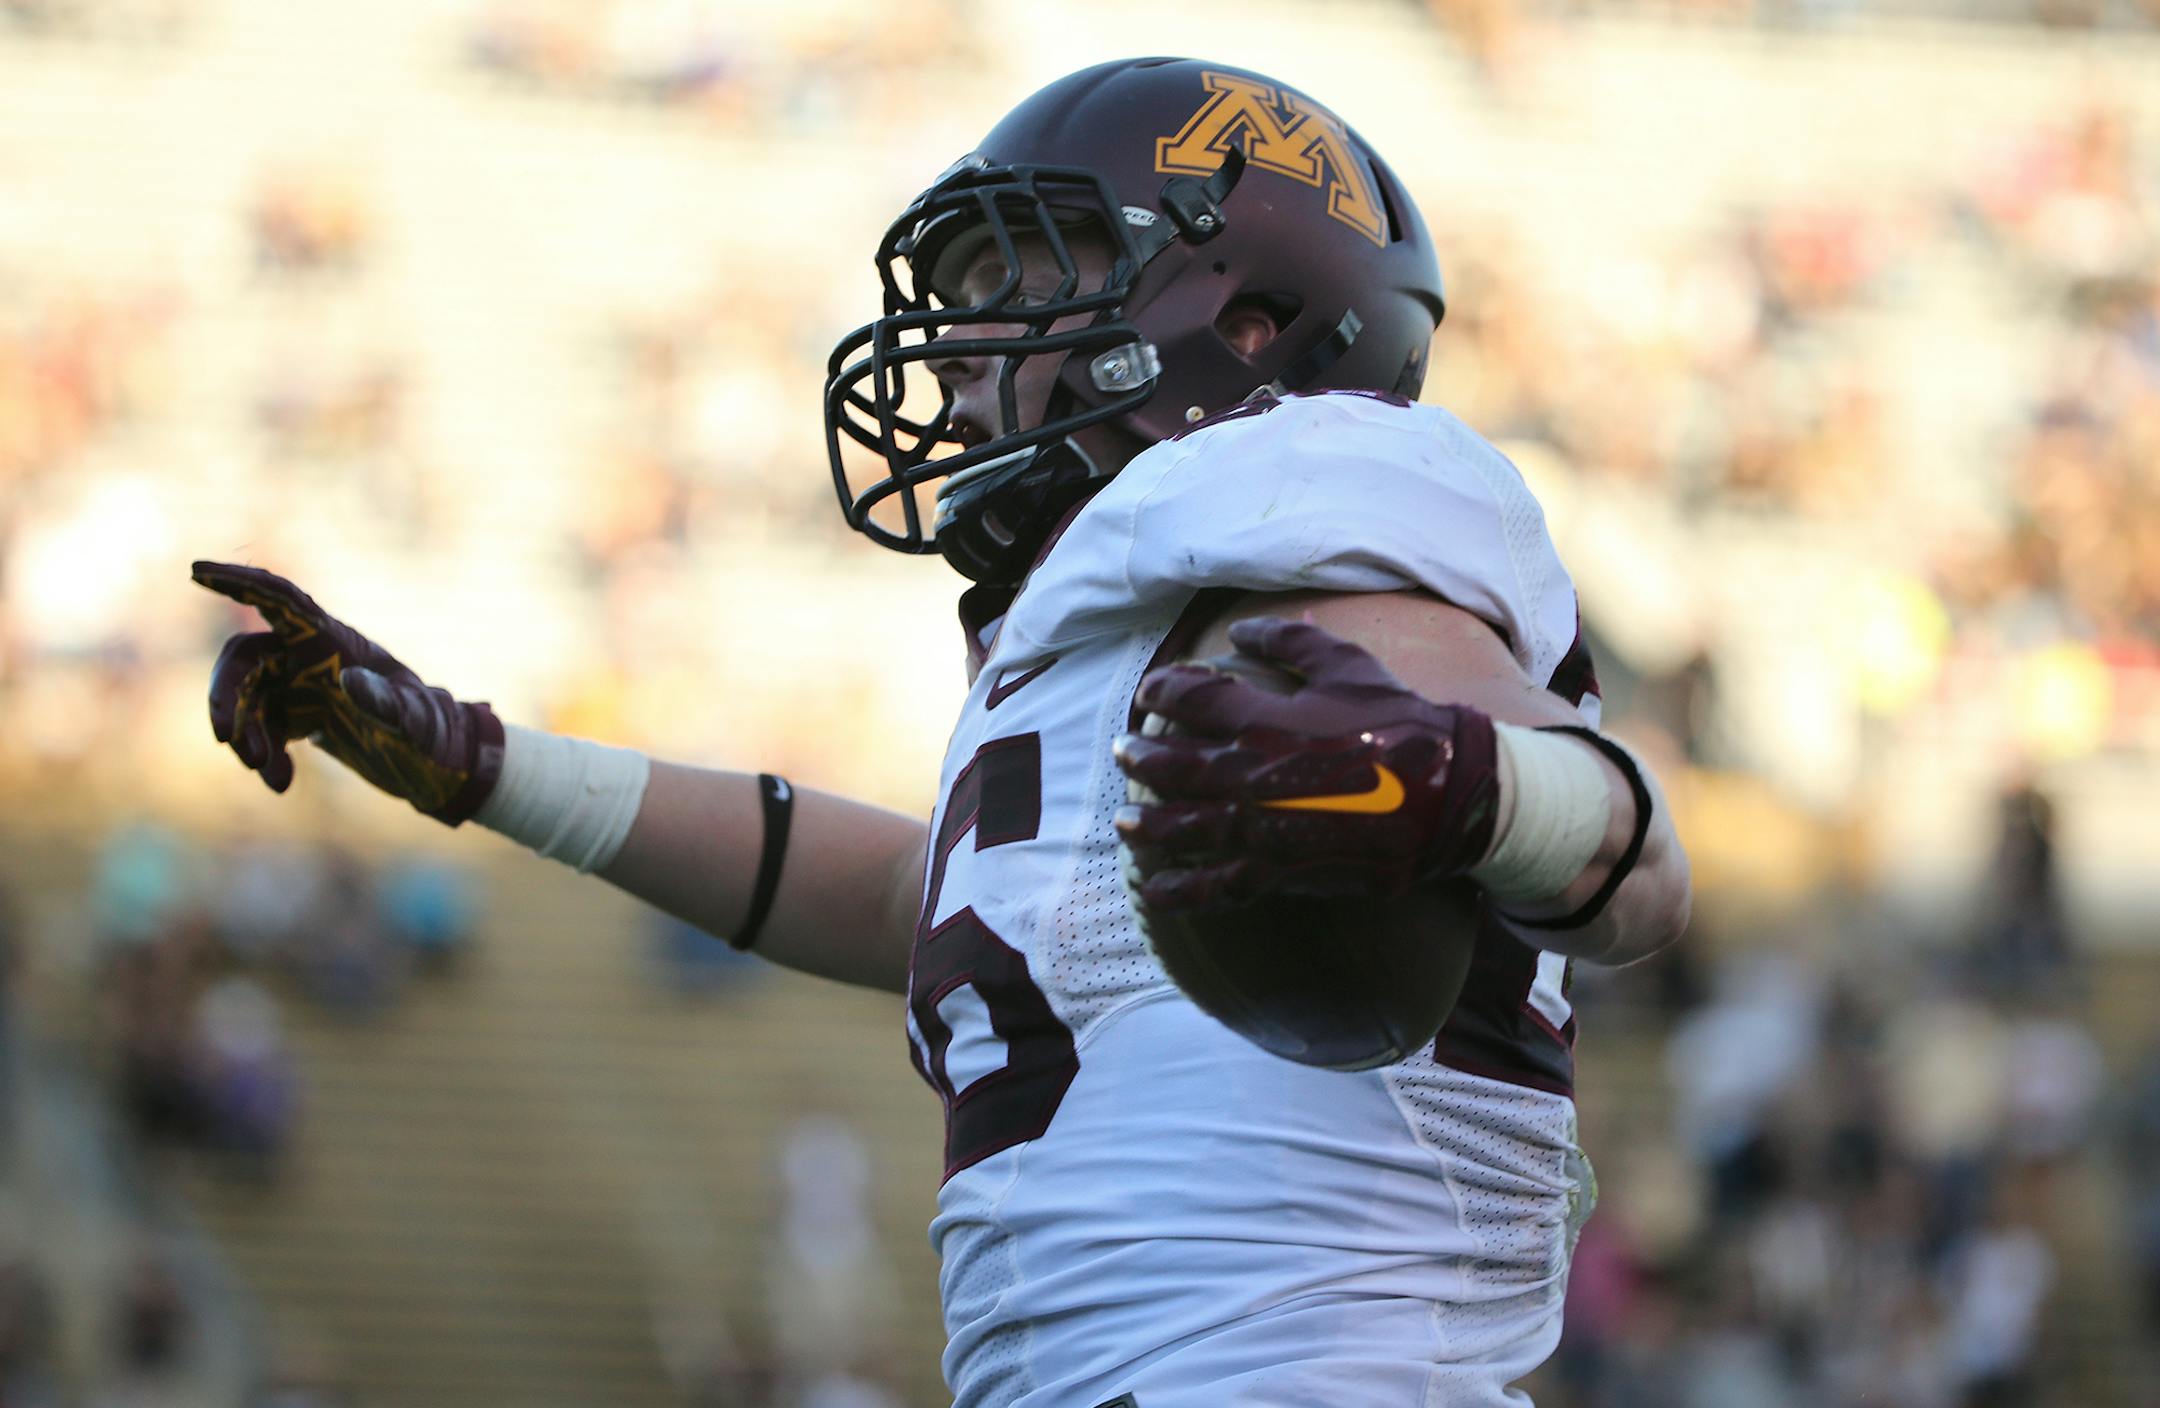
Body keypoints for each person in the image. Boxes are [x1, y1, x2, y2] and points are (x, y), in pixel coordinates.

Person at [195, 57, 1689, 1407]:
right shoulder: (1126, 609)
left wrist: (1471, 793)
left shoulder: (1300, 487)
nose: (960, 349)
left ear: (1245, 322)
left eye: (1016, 279)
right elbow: (910, 899)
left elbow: (1629, 857)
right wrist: (485, 765)